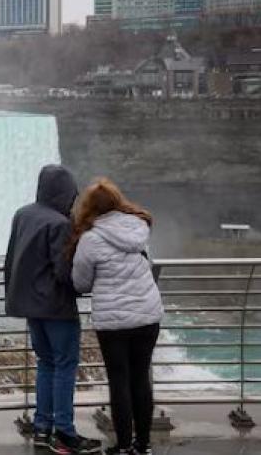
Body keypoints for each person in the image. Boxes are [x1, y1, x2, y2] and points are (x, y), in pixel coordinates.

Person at [3, 164, 101, 454]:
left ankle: (42, 428)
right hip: (57, 308)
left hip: (31, 306)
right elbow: (64, 272)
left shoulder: (23, 215)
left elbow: (11, 258)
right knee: (65, 366)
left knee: (46, 364)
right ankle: (65, 433)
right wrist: (84, 286)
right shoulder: (60, 224)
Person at [70, 178, 164, 455]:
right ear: (118, 201)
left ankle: (123, 446)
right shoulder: (139, 228)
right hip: (148, 316)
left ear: (89, 208)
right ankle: (143, 445)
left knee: (119, 380)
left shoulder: (90, 239)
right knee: (141, 378)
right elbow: (148, 265)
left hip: (113, 323)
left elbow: (81, 283)